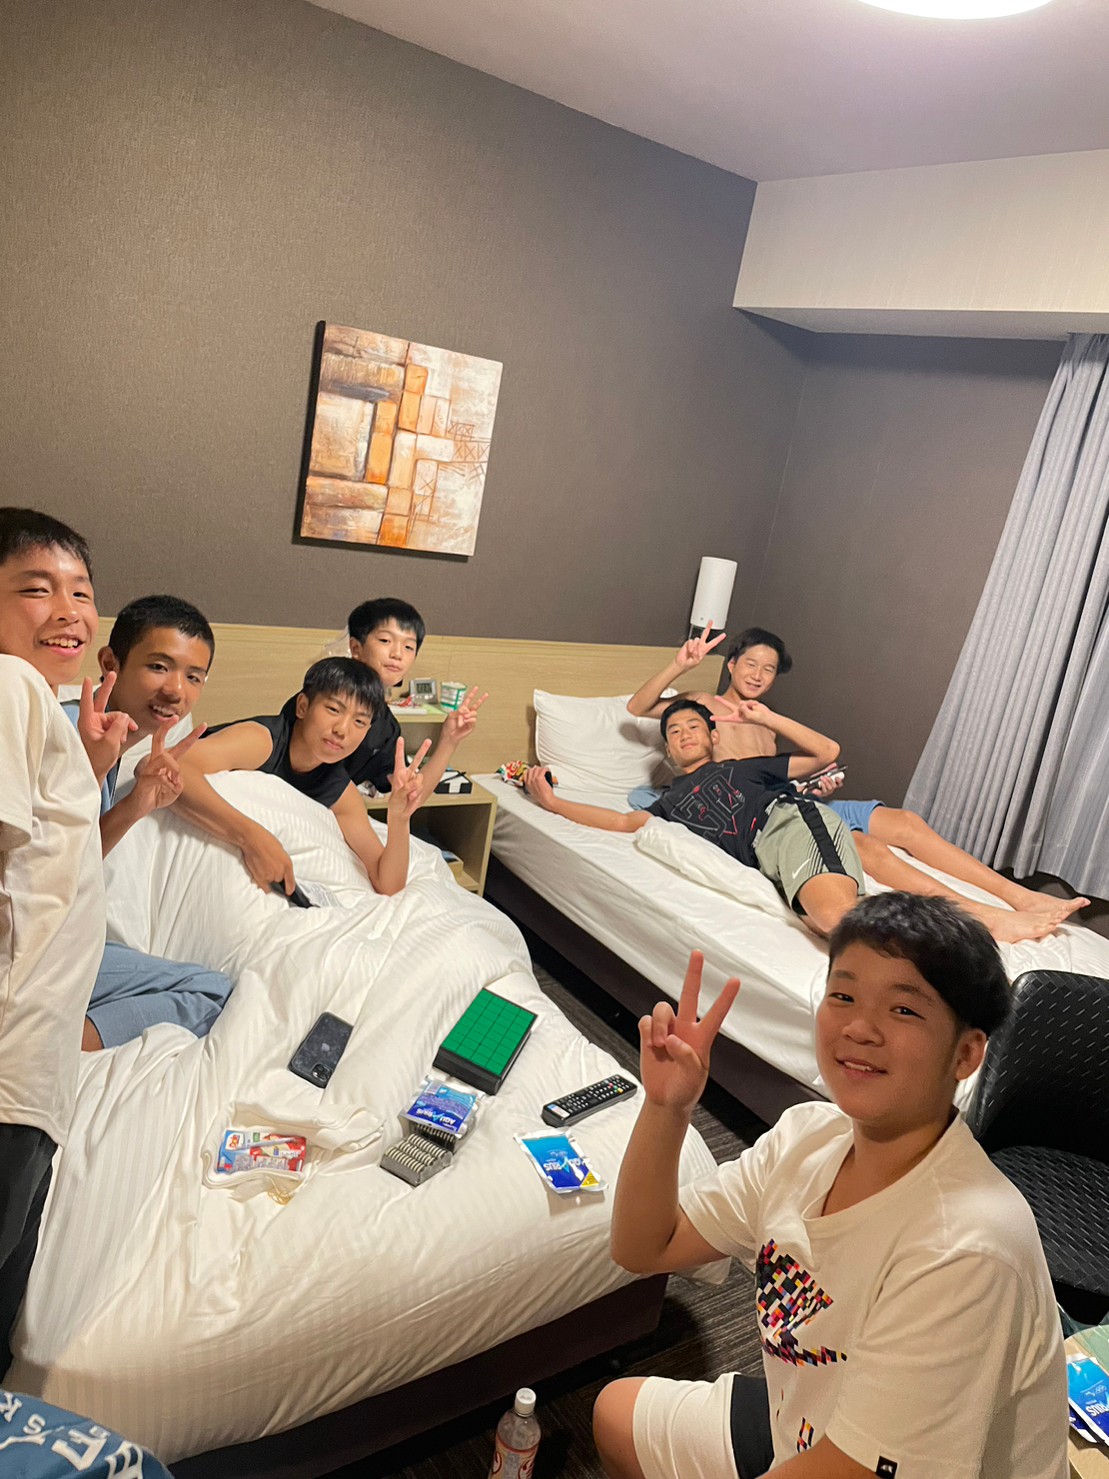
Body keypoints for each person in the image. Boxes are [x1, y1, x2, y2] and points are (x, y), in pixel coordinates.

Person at [593, 893, 1067, 1479]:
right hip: (808, 1426)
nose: (859, 1028)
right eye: (843, 996)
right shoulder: (808, 1137)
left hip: (894, 1464)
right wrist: (667, 1108)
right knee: (616, 1413)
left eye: (903, 1009)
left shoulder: (966, 1248)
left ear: (966, 1053)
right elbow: (645, 1246)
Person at [630, 624, 1085, 944]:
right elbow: (639, 706)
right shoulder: (702, 708)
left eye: (768, 670)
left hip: (794, 801)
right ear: (731, 664)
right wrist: (680, 665)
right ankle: (977, 915)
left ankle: (1018, 895)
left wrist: (806, 776)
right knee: (869, 849)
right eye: (750, 664)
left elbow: (809, 760)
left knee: (906, 823)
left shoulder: (766, 720)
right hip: (767, 815)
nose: (757, 675)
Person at [0, 507, 121, 1375]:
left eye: (81, 590)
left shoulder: (36, 703)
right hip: (11, 1054)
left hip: (37, 1059)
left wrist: (92, 768)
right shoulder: (9, 683)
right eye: (36, 588)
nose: (69, 610)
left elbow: (51, 866)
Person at [524, 698, 863, 938]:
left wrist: (767, 719)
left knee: (834, 920)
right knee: (828, 927)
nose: (684, 734)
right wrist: (553, 802)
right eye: (674, 732)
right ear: (668, 750)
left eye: (693, 727)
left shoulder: (743, 768)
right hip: (766, 859)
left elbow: (827, 752)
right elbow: (620, 822)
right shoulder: (668, 804)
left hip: (788, 824)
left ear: (714, 737)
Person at [60, 595, 234, 1051]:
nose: (176, 691)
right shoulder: (70, 731)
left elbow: (71, 857)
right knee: (209, 992)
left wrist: (138, 802)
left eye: (194, 676)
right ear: (110, 663)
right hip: (30, 947)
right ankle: (47, 1045)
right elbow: (45, 872)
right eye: (159, 667)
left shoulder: (112, 737)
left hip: (53, 938)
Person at [178, 656, 427, 896]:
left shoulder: (340, 791)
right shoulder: (261, 741)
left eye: (359, 722)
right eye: (333, 709)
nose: (342, 730)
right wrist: (251, 838)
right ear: (303, 706)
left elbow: (388, 884)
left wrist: (399, 818)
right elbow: (176, 768)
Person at [310, 597, 486, 797]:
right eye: (385, 641)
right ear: (356, 648)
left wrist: (449, 740)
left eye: (408, 647)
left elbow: (409, 794)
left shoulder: (386, 728)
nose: (397, 654)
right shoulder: (322, 696)